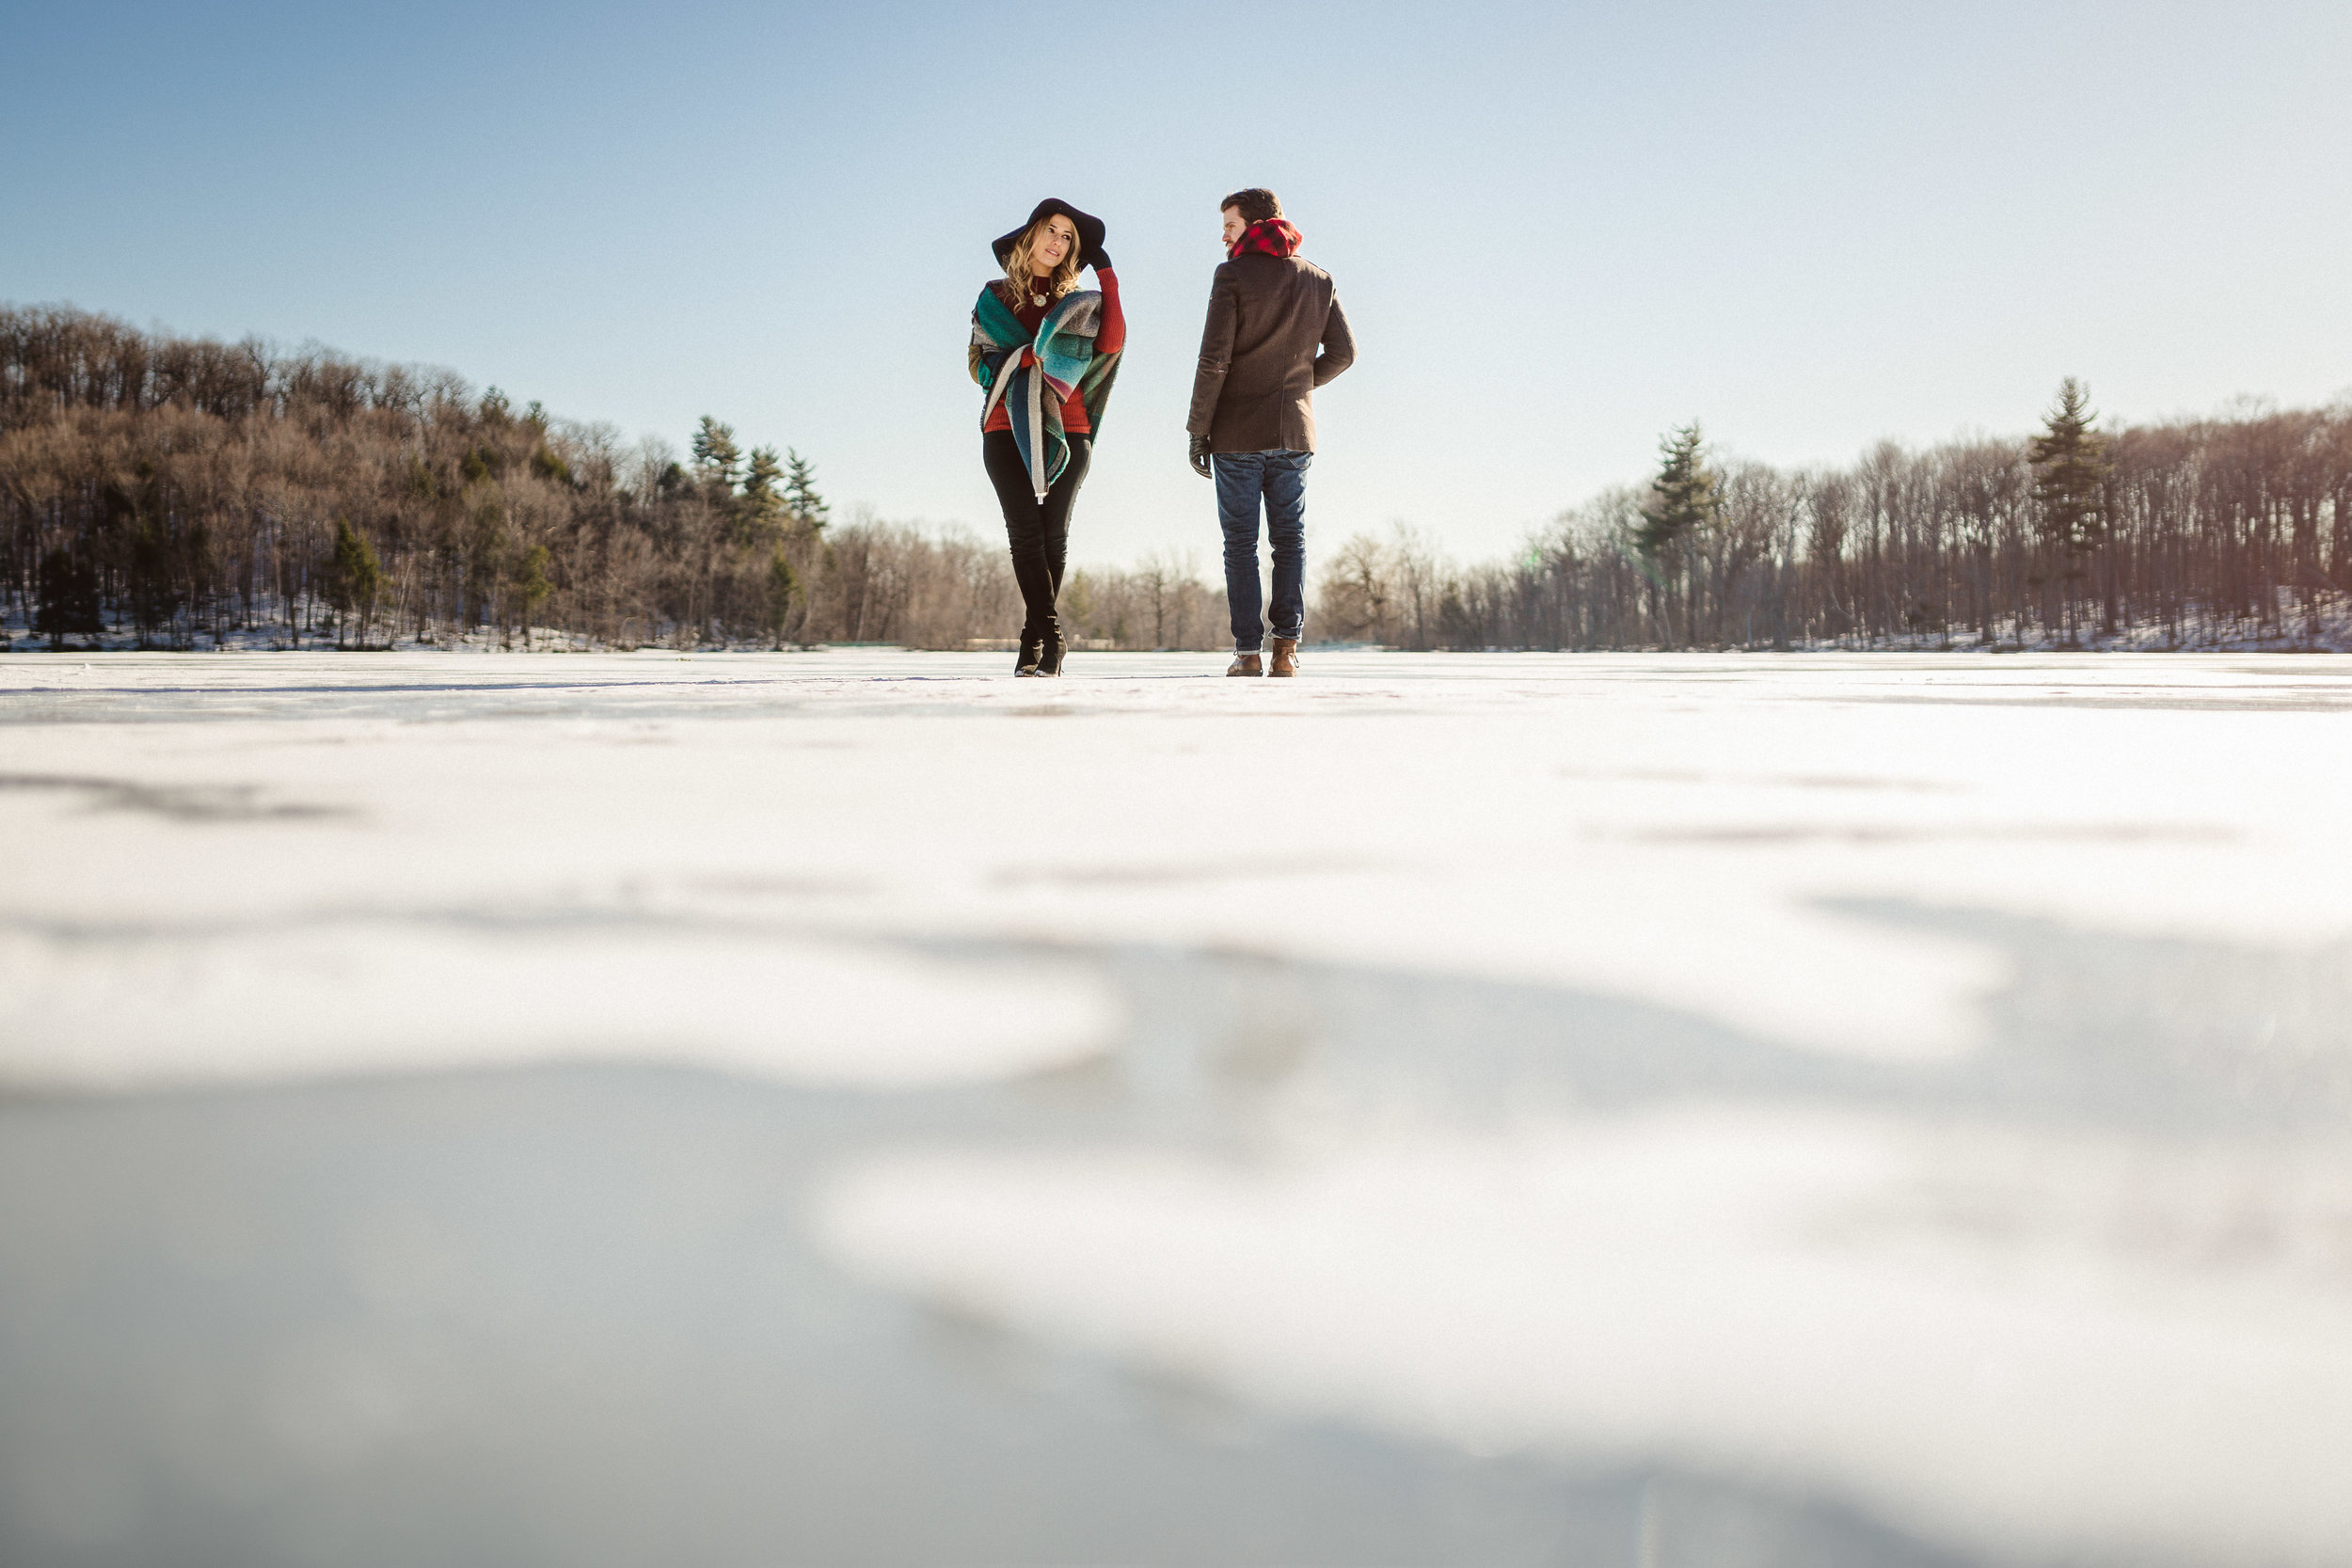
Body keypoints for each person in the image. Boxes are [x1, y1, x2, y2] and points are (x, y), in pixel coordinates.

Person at [1186, 187, 1355, 676]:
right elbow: (1343, 354)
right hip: (1294, 431)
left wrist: (1199, 429)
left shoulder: (1232, 275)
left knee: (1240, 543)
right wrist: (1298, 388)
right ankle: (1286, 652)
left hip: (1236, 431)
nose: (1223, 235)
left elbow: (1213, 359)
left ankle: (1247, 653)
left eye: (1230, 225)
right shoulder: (1318, 280)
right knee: (1290, 541)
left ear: (1257, 224)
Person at [970, 199, 1124, 676]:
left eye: (1068, 238)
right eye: (1052, 231)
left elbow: (1112, 342)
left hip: (1069, 425)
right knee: (1025, 535)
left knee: (1053, 533)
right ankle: (1052, 638)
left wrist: (1107, 273)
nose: (1058, 242)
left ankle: (1031, 641)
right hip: (1004, 425)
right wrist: (1019, 360)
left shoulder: (1079, 304)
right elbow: (976, 361)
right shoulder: (993, 298)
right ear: (1031, 235)